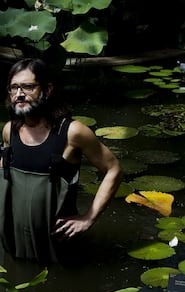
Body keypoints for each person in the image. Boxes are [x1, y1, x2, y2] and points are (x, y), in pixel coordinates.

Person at [0, 58, 123, 264]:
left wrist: (88, 218)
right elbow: (4, 172)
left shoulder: (72, 132)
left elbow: (114, 170)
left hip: (57, 244)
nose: (20, 94)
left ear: (47, 90)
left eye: (28, 87)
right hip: (15, 240)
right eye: (14, 88)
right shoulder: (9, 130)